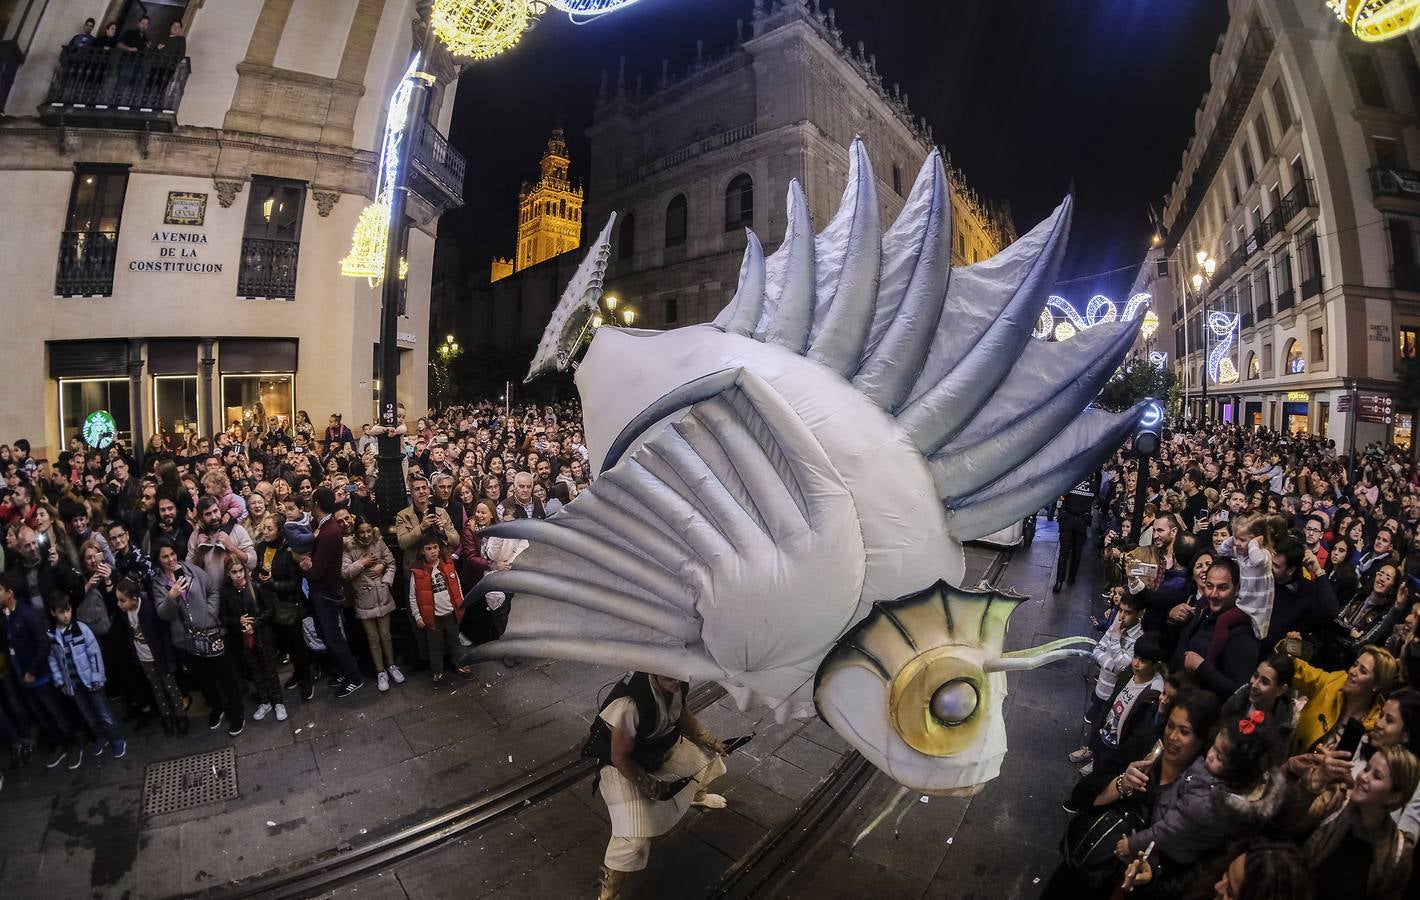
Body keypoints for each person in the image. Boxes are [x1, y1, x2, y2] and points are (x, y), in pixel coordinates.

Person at [585, 671, 730, 899]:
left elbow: (682, 713)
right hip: (622, 768)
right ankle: (610, 891)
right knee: (633, 836)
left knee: (707, 757)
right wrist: (649, 785)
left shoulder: (676, 686)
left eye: (680, 676)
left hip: (659, 750)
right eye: (670, 677)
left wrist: (708, 739)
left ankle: (697, 795)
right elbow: (620, 757)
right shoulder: (628, 706)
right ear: (652, 671)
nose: (678, 681)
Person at [1299, 744, 1420, 899]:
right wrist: (1313, 781)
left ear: (1394, 796)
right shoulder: (1335, 802)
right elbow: (1286, 826)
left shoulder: (1397, 853)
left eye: (1377, 776)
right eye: (1366, 768)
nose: (1363, 776)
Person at [153, 537, 245, 736]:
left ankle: (236, 712)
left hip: (211, 632)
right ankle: (217, 707)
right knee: (204, 679)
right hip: (187, 641)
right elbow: (163, 613)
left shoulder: (191, 570)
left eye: (172, 554)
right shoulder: (159, 583)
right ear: (159, 560)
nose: (170, 559)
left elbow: (212, 590)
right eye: (165, 557)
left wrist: (209, 613)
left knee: (225, 675)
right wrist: (172, 596)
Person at [0, 571, 80, 769]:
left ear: (9, 593)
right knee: (42, 714)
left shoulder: (28, 614)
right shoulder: (6, 617)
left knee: (56, 711)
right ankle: (58, 743)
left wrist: (32, 671)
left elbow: (43, 644)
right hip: (23, 679)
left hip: (40, 678)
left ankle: (72, 744)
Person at [1068, 593, 1147, 768]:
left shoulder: (1139, 637)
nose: (1122, 616)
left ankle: (1097, 760)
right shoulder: (1116, 625)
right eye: (1120, 610)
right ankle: (1088, 749)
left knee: (1108, 727)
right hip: (1102, 685)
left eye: (1128, 612)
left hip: (1117, 692)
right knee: (1096, 721)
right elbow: (1097, 650)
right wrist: (1111, 664)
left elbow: (1124, 668)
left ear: (1139, 614)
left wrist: (1116, 640)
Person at [47, 594, 126, 759]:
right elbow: (53, 660)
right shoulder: (53, 636)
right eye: (62, 612)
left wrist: (97, 677)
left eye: (68, 610)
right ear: (53, 613)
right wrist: (60, 682)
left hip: (91, 681)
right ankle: (101, 737)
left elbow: (94, 654)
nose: (66, 615)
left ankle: (117, 738)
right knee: (88, 714)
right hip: (73, 685)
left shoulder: (81, 629)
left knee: (103, 711)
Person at [301, 488, 363, 698]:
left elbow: (317, 571)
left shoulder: (329, 532)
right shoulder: (322, 527)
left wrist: (304, 565)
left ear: (316, 504)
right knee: (327, 635)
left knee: (333, 636)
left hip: (326, 593)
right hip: (323, 592)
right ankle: (345, 671)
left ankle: (354, 677)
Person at [1286, 642, 1397, 756]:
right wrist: (1292, 645)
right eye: (1355, 665)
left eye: (1362, 671)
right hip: (1293, 760)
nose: (1352, 672)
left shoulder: (1376, 724)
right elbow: (1296, 670)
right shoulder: (1332, 683)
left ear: (1377, 685)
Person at [1169, 558, 1259, 700]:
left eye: (1222, 588)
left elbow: (1238, 693)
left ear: (1237, 589)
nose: (1213, 594)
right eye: (1209, 586)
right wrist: (1173, 619)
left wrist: (1201, 666)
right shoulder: (1202, 609)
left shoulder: (1242, 634)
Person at [114, 576, 184, 736]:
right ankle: (167, 717)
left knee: (171, 687)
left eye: (122, 600)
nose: (119, 604)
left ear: (134, 599)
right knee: (157, 688)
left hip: (159, 657)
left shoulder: (148, 608)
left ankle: (181, 716)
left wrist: (169, 658)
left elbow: (163, 635)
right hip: (143, 658)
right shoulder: (125, 614)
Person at [219, 557, 285, 723]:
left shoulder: (256, 587)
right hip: (243, 640)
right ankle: (265, 701)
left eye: (241, 571)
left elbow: (270, 610)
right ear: (229, 573)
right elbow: (224, 617)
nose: (238, 575)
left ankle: (278, 702)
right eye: (234, 572)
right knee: (255, 671)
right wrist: (238, 621)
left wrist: (254, 624)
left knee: (269, 669)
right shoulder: (226, 592)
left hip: (262, 636)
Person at [342, 516, 401, 692]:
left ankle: (391, 665)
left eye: (368, 531)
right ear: (356, 532)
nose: (366, 535)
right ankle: (380, 670)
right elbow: (345, 573)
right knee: (373, 638)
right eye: (362, 532)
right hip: (364, 599)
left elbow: (391, 562)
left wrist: (384, 574)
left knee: (385, 635)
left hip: (382, 595)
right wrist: (362, 563)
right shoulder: (349, 548)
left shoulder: (379, 543)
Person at [408, 537, 472, 686]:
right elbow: (412, 596)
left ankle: (459, 665)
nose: (433, 552)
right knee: (435, 647)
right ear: (423, 551)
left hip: (451, 614)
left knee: (454, 642)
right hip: (433, 618)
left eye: (435, 547)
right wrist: (418, 616)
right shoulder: (417, 573)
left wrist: (462, 605)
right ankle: (437, 670)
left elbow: (458, 587)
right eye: (428, 549)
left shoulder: (448, 565)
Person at [394, 475, 458, 567]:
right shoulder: (403, 515)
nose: (421, 492)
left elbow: (456, 540)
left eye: (424, 488)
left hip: (441, 563)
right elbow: (403, 544)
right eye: (417, 489)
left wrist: (443, 531)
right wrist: (421, 527)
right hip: (415, 565)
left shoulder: (441, 512)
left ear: (429, 490)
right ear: (411, 493)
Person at [1055, 474, 1095, 593]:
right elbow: (1092, 500)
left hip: (1067, 518)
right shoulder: (1093, 485)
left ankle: (1059, 581)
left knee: (1064, 552)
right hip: (1082, 521)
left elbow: (1061, 497)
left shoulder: (1070, 481)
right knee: (1077, 552)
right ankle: (1071, 578)